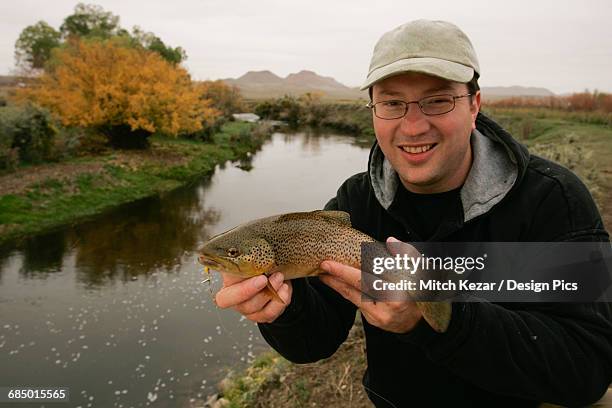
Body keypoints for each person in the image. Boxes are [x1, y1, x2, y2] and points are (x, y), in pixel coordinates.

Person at [214, 19, 612, 407]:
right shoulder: (358, 201)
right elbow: (314, 342)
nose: (413, 126)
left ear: (475, 105)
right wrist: (282, 309)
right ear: (373, 110)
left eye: (438, 100)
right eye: (391, 103)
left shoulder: (552, 200)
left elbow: (588, 368)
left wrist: (436, 318)